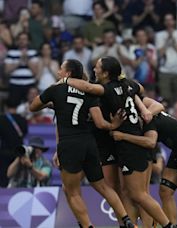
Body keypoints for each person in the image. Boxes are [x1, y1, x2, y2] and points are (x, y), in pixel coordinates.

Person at [61, 57, 176, 228]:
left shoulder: (105, 89)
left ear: (106, 73)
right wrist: (143, 109)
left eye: (98, 67)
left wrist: (65, 80)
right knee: (131, 192)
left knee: (138, 194)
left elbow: (88, 88)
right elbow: (141, 89)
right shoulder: (128, 85)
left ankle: (168, 226)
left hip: (129, 143)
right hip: (129, 142)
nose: (94, 69)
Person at [29, 59, 134, 228]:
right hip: (89, 142)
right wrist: (113, 125)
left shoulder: (56, 89)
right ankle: (126, 219)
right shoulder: (88, 92)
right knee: (102, 186)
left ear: (68, 74)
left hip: (69, 144)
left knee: (71, 191)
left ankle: (87, 226)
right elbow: (100, 123)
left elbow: (32, 107)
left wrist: (51, 103)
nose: (58, 73)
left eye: (61, 69)